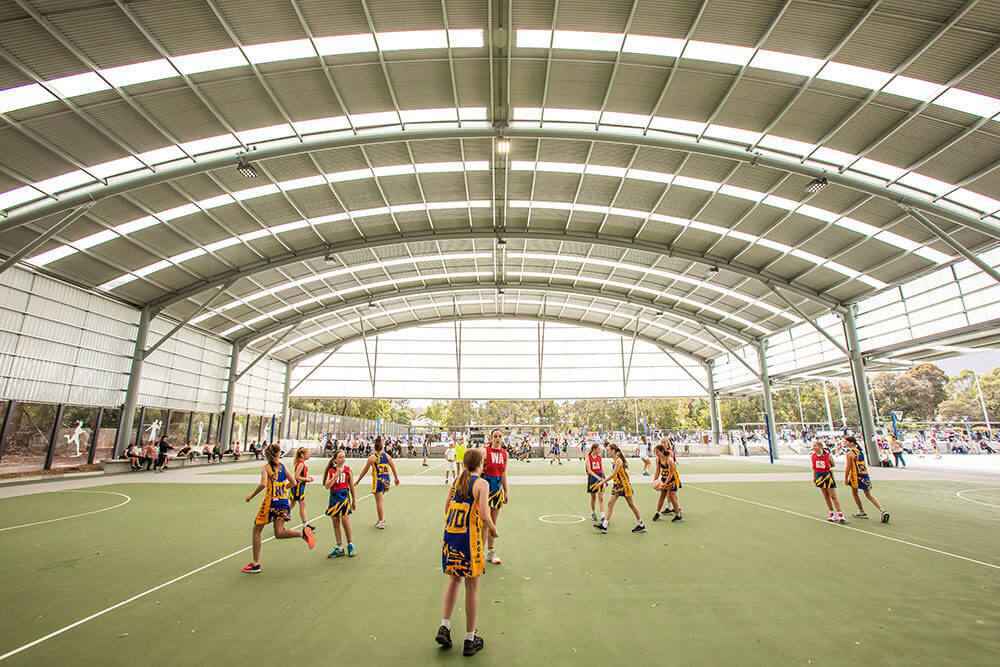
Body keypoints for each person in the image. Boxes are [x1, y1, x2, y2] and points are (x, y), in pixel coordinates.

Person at [436, 448, 497, 657]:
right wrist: (493, 530)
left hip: (450, 536)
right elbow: (483, 513)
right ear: (480, 464)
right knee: (472, 586)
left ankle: (444, 626)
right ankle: (470, 639)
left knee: (454, 581)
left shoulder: (457, 482)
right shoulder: (482, 483)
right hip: (468, 540)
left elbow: (446, 508)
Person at [241, 444, 316, 574]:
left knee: (257, 530)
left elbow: (263, 484)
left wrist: (251, 496)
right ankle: (302, 533)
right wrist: (282, 489)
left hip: (270, 503)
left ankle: (256, 564)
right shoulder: (283, 467)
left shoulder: (266, 468)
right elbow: (293, 482)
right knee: (279, 533)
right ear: (278, 454)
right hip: (283, 502)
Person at [597, 444, 645, 534]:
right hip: (617, 485)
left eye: (608, 450)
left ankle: (641, 524)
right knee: (610, 503)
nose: (607, 452)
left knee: (631, 505)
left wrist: (602, 482)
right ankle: (604, 525)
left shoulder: (618, 461)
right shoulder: (615, 461)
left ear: (613, 451)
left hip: (624, 485)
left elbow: (613, 475)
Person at [356, 436, 400, 529]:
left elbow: (364, 470)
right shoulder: (387, 456)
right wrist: (396, 478)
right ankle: (381, 519)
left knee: (379, 502)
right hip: (386, 480)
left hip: (378, 481)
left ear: (374, 447)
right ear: (382, 447)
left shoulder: (372, 458)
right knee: (380, 500)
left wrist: (358, 480)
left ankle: (381, 521)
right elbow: (393, 467)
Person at [844, 437, 890, 523]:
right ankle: (882, 510)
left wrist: (846, 478)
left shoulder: (850, 454)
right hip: (864, 475)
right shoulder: (860, 452)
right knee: (868, 495)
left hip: (855, 476)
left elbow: (848, 467)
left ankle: (861, 511)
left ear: (852, 443)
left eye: (846, 442)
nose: (845, 443)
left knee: (855, 493)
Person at [324, 449, 357, 558]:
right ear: (335, 459)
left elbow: (351, 487)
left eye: (344, 457)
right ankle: (339, 547)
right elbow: (327, 486)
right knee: (335, 521)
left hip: (344, 497)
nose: (343, 459)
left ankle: (350, 544)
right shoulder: (331, 471)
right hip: (334, 498)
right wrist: (336, 475)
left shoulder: (348, 470)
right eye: (340, 457)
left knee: (345, 520)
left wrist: (354, 500)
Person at [482, 430, 509, 566]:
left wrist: (506, 491)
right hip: (484, 491)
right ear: (491, 438)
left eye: (500, 436)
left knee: (493, 522)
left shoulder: (505, 454)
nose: (498, 439)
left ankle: (491, 552)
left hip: (497, 491)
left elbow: (504, 474)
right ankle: (478, 553)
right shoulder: (484, 452)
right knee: (483, 522)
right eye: (495, 436)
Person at [810, 441, 846, 524]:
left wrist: (829, 468)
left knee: (833, 496)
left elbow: (833, 465)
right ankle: (831, 513)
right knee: (826, 496)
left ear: (820, 447)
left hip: (828, 476)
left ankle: (840, 514)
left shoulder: (828, 455)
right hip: (819, 477)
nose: (814, 448)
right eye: (813, 447)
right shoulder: (813, 456)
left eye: (815, 446)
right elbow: (814, 468)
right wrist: (814, 478)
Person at [652, 443, 682, 522]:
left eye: (657, 452)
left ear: (662, 451)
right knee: (662, 495)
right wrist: (654, 481)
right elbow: (657, 470)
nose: (656, 454)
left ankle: (678, 515)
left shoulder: (669, 460)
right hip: (664, 478)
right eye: (655, 452)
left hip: (673, 479)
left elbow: (671, 473)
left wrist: (665, 484)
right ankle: (658, 513)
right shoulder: (658, 459)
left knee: (672, 497)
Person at [289, 447, 313, 526]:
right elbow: (296, 477)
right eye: (308, 453)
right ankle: (305, 524)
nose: (310, 454)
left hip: (299, 487)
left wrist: (307, 478)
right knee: (302, 505)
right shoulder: (301, 464)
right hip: (298, 488)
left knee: (292, 504)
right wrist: (307, 479)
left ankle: (281, 516)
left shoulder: (301, 463)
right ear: (302, 455)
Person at [585, 441, 606, 525]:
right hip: (593, 479)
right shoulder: (588, 458)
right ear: (594, 449)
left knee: (601, 498)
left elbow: (601, 468)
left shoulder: (599, 457)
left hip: (600, 478)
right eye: (598, 449)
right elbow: (589, 471)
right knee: (593, 497)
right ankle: (593, 512)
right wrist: (597, 477)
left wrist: (604, 478)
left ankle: (602, 516)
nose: (599, 450)